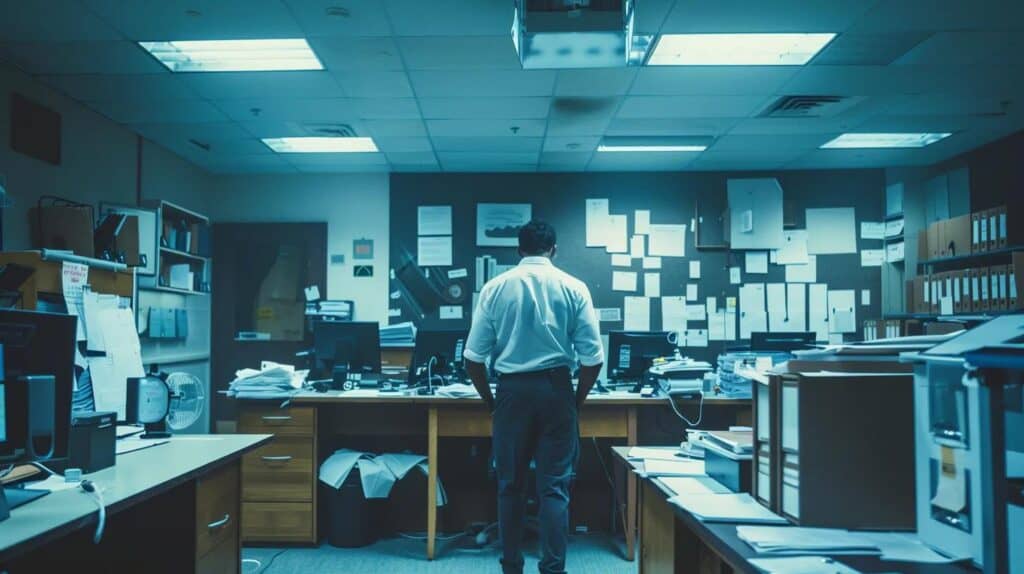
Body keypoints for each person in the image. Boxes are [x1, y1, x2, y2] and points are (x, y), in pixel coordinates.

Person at [463, 220, 604, 574]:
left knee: (510, 486)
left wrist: (491, 402)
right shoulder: (575, 288)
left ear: (518, 250)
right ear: (554, 250)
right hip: (557, 391)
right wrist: (576, 400)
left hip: (511, 391)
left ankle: (511, 566)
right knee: (554, 489)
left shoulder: (495, 288)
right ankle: (553, 568)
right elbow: (593, 359)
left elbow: (473, 358)